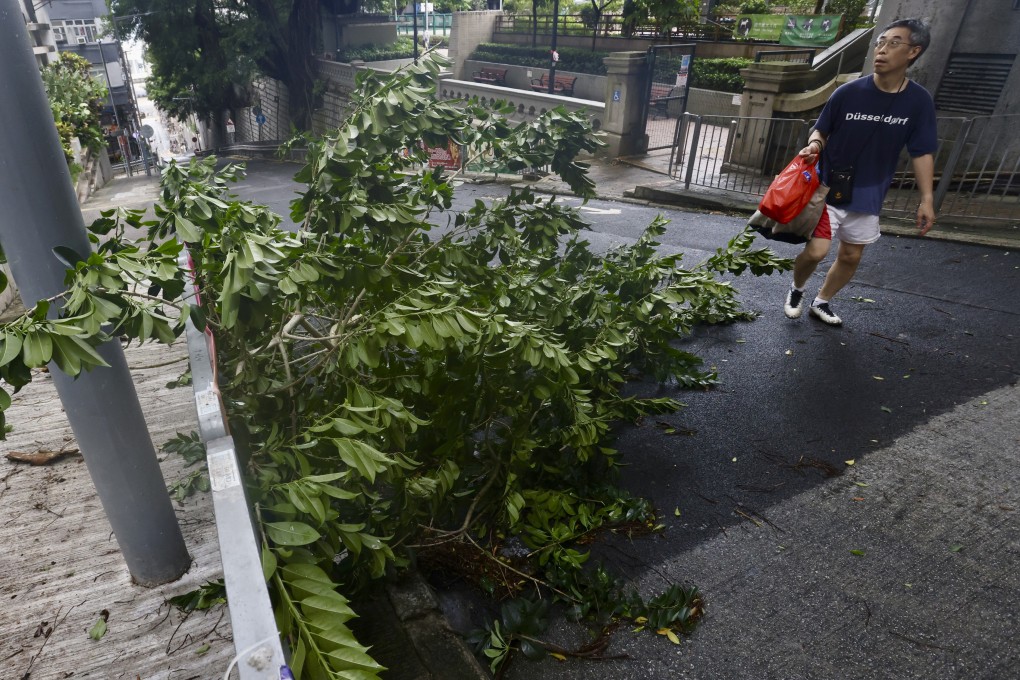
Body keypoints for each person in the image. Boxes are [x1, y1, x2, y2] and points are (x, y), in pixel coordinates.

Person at [784, 18, 938, 327]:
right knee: (816, 252)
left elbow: (921, 151)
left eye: (893, 43)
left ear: (913, 52)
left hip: (870, 192)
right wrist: (814, 145)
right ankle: (797, 289)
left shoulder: (919, 101)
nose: (881, 50)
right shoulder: (848, 92)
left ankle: (822, 301)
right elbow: (821, 130)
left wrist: (927, 199)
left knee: (851, 256)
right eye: (880, 43)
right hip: (829, 187)